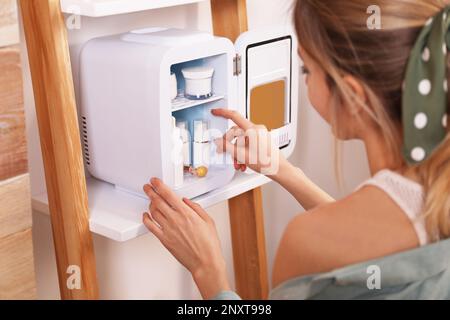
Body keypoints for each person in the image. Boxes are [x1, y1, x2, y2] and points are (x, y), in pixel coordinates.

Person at [142, 0, 450, 299]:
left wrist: (209, 271)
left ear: (353, 97)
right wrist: (283, 170)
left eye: (307, 70)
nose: (305, 82)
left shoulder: (305, 242)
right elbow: (370, 250)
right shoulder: (435, 191)